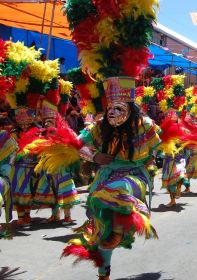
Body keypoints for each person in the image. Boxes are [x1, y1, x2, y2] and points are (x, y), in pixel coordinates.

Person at [62, 77, 160, 280]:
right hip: (104, 178)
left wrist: (149, 158)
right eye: (110, 108)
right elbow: (76, 144)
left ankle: (120, 228)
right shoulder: (100, 125)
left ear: (130, 107)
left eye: (119, 107)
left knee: (117, 190)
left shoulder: (145, 125)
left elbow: (161, 147)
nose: (113, 112)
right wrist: (95, 156)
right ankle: (103, 272)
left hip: (133, 177)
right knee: (101, 233)